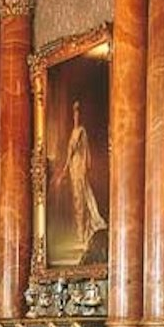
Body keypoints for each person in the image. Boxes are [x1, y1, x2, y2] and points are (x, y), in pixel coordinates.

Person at [52, 99, 106, 259]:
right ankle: (80, 233)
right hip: (73, 168)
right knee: (76, 200)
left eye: (78, 113)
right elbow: (70, 153)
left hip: (78, 167)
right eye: (74, 114)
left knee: (81, 199)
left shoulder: (81, 131)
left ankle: (83, 234)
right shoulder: (73, 132)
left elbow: (78, 150)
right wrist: (66, 169)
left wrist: (66, 169)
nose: (76, 116)